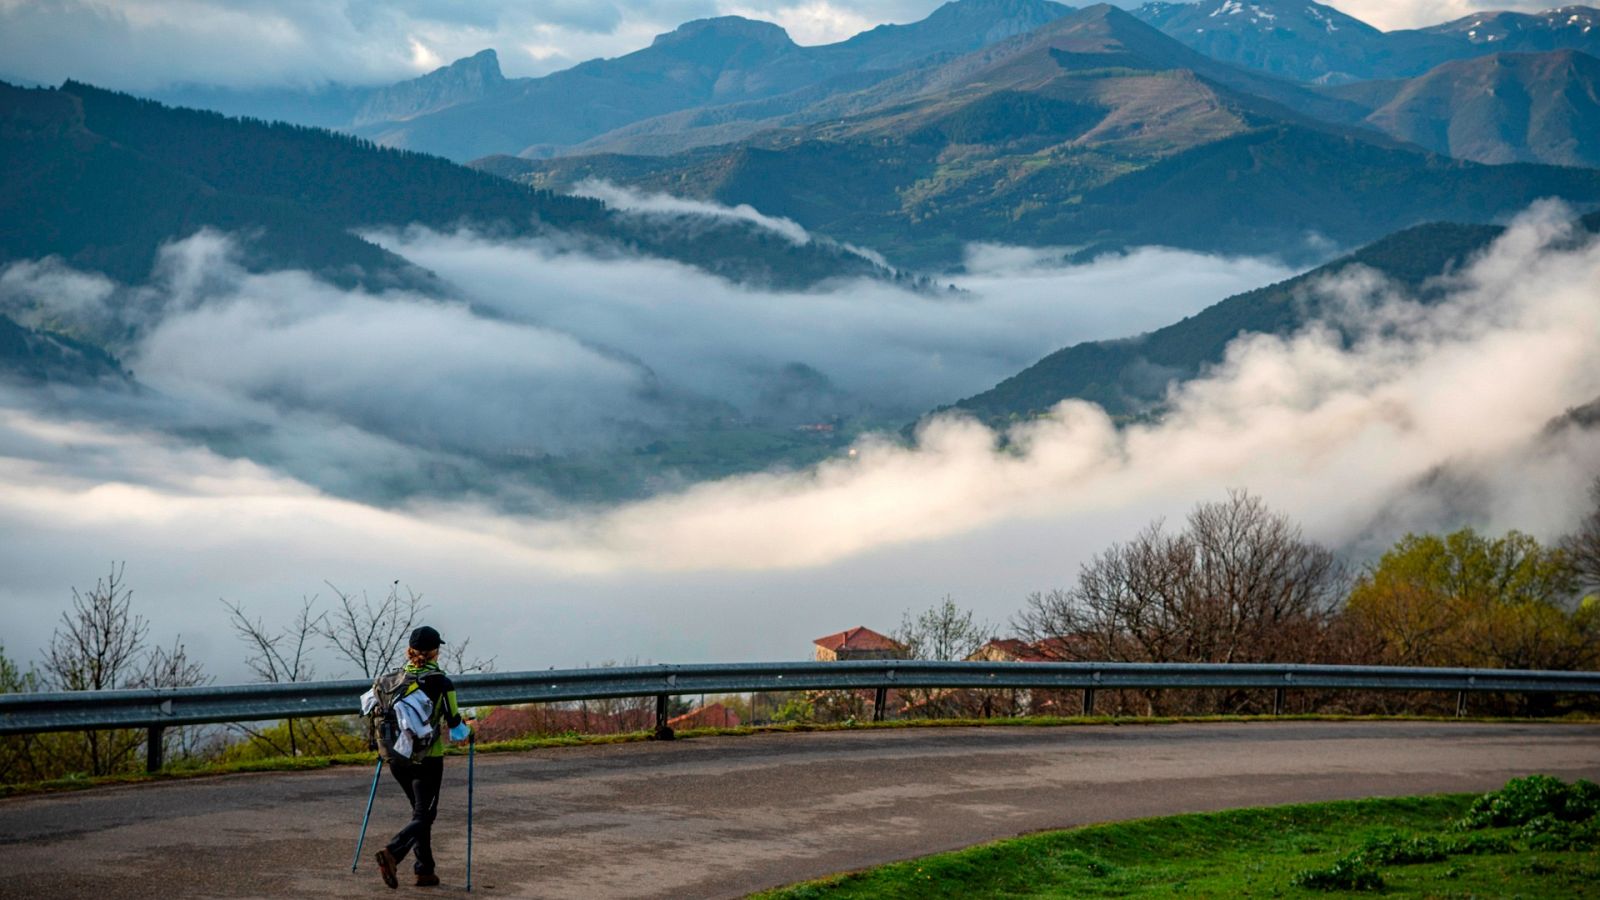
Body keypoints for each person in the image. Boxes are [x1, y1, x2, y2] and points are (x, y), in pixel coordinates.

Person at [374, 625, 472, 889]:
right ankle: (392, 852)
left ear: (410, 651)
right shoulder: (442, 682)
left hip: (397, 758)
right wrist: (470, 730)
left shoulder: (393, 681)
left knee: (420, 815)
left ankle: (425, 870)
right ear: (435, 652)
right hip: (428, 758)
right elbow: (455, 725)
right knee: (424, 815)